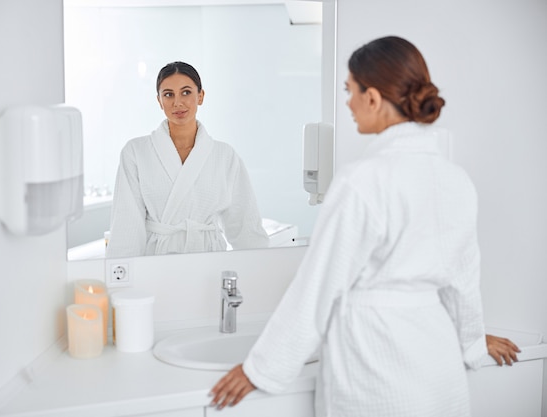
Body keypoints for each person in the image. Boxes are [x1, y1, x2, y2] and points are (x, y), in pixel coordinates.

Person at [209, 36, 520, 416]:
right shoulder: (455, 179)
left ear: (372, 98)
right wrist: (473, 342)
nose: (348, 104)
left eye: (350, 91)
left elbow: (316, 289)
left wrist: (260, 369)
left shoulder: (361, 181)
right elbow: (464, 283)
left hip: (379, 370)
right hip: (440, 371)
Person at [105, 61, 269, 258]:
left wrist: (261, 267)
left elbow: (245, 226)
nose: (177, 103)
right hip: (158, 261)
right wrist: (122, 277)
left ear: (200, 96)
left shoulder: (224, 155)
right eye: (168, 94)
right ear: (159, 101)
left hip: (209, 259)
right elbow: (127, 225)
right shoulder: (136, 152)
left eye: (186, 92)